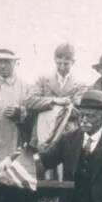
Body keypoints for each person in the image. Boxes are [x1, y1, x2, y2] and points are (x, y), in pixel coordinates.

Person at [27, 43, 90, 178]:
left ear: (73, 62)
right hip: (42, 134)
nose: (62, 67)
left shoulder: (80, 84)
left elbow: (79, 109)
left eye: (66, 64)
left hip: (68, 134)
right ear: (54, 60)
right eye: (59, 63)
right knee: (42, 171)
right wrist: (55, 101)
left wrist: (64, 110)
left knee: (65, 174)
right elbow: (30, 100)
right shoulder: (43, 80)